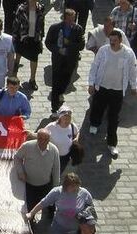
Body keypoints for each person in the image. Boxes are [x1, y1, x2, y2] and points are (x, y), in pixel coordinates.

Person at [87, 30, 137, 159]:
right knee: (98, 107)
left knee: (113, 117)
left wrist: (134, 86)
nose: (112, 43)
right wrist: (91, 83)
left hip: (117, 90)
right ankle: (94, 124)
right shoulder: (103, 51)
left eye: (115, 40)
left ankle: (111, 143)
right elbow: (95, 66)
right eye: (111, 40)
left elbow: (133, 70)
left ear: (121, 40)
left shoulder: (128, 54)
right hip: (102, 87)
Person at [45, 8, 85, 113]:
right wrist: (58, 50)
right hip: (58, 59)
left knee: (66, 80)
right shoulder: (55, 28)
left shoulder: (78, 29)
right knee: (56, 83)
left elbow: (81, 45)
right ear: (64, 18)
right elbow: (48, 42)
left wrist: (69, 43)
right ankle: (54, 108)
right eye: (70, 19)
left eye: (73, 19)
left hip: (70, 60)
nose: (72, 22)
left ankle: (60, 93)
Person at [16, 129, 60, 214]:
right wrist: (20, 171)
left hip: (46, 185)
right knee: (30, 205)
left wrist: (55, 187)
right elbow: (17, 157)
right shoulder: (27, 146)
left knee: (49, 204)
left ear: (49, 140)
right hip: (29, 185)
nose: (42, 141)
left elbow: (56, 169)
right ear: (37, 138)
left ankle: (50, 217)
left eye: (45, 139)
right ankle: (31, 221)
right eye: (40, 138)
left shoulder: (54, 150)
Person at [12, 0, 45, 90]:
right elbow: (16, 23)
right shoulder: (21, 8)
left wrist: (41, 36)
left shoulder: (40, 8)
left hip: (35, 38)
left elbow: (42, 23)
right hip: (22, 37)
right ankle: (13, 78)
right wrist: (15, 37)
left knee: (34, 59)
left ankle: (32, 79)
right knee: (17, 57)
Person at [44, 106, 80, 172]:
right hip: (53, 155)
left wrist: (76, 138)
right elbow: (42, 133)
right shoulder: (51, 126)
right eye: (65, 118)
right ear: (60, 118)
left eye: (69, 118)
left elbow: (77, 132)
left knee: (60, 169)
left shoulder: (72, 126)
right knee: (50, 169)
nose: (67, 121)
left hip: (66, 156)